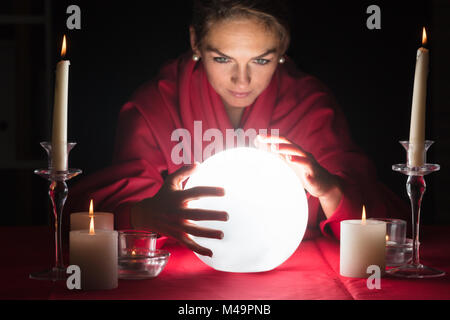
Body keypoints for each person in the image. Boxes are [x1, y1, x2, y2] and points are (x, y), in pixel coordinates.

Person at [66, 0, 408, 257]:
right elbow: (93, 220)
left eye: (261, 60)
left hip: (286, 269)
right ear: (196, 42)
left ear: (283, 50)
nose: (241, 80)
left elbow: (380, 226)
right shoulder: (154, 104)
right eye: (222, 58)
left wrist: (332, 191)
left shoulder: (310, 104)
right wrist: (145, 214)